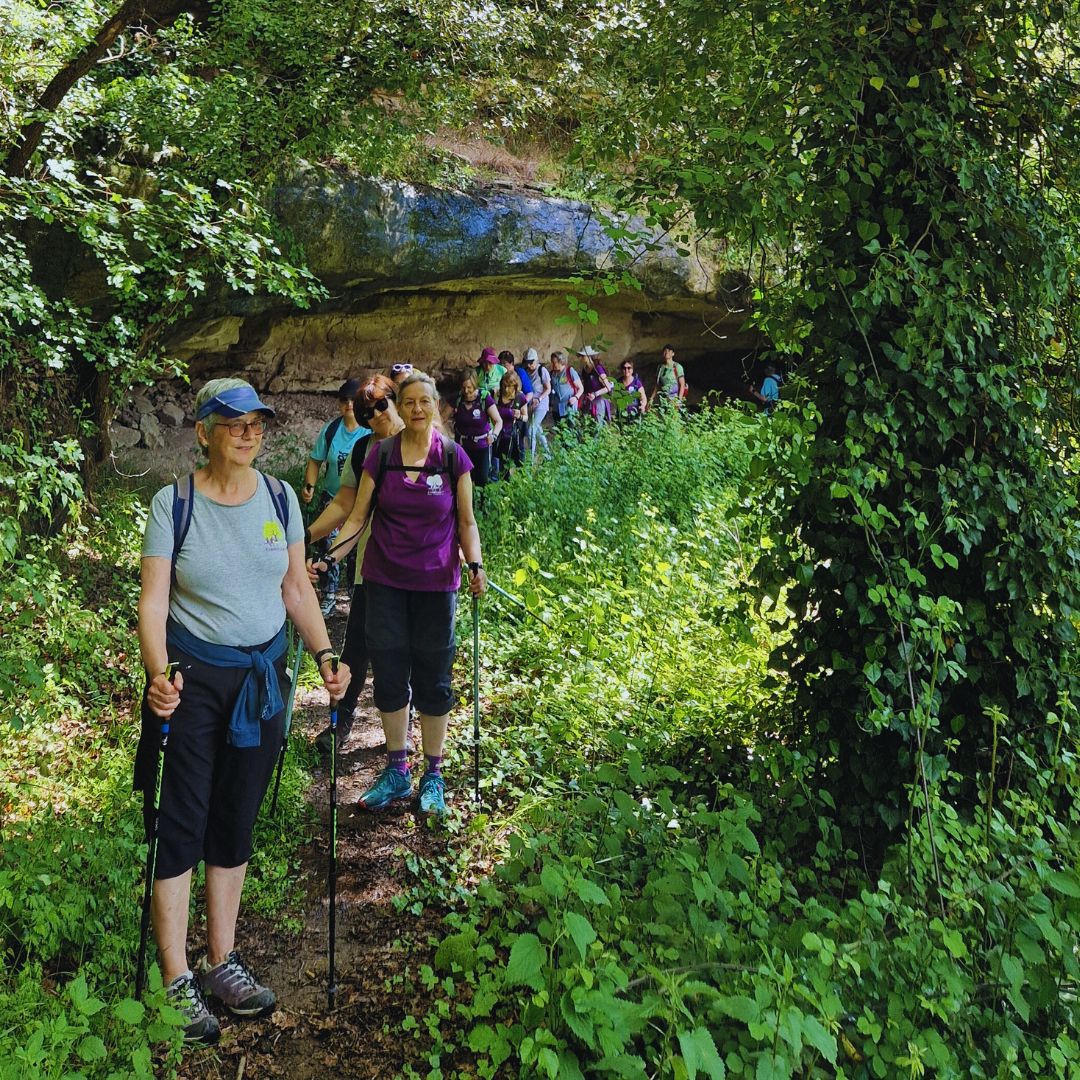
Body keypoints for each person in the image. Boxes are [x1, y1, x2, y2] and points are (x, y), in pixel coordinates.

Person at [136, 378, 350, 1044]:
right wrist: (157, 674)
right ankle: (176, 977)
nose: (249, 433)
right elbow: (153, 603)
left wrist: (323, 652)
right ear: (204, 431)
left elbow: (295, 587)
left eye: (256, 423)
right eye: (234, 423)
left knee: (235, 817)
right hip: (193, 681)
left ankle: (221, 961)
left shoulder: (280, 498)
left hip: (261, 682)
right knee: (182, 820)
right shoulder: (174, 505)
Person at [313, 372, 486, 818]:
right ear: (400, 406)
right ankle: (397, 769)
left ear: (435, 405)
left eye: (424, 401)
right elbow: (356, 518)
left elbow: (466, 522)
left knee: (434, 676)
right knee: (389, 674)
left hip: (436, 584)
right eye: (409, 402)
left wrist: (475, 564)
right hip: (385, 581)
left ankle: (433, 774)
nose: (416, 409)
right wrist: (330, 557)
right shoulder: (381, 455)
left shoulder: (453, 457)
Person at [305, 374, 404, 752]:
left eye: (381, 404)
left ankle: (404, 731)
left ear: (395, 399)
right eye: (366, 413)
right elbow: (346, 506)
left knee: (404, 648)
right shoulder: (364, 450)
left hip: (416, 569)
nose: (375, 415)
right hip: (369, 564)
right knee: (357, 647)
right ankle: (341, 721)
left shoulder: (423, 442)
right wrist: (308, 537)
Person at [300, 378, 371, 615]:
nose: (349, 404)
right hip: (333, 496)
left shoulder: (369, 430)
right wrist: (310, 485)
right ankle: (329, 594)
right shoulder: (331, 430)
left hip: (360, 499)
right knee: (329, 544)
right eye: (344, 400)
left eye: (353, 400)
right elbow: (315, 460)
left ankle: (354, 594)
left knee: (354, 547)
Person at [452, 372, 501, 490]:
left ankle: (482, 500)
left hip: (482, 446)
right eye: (463, 387)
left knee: (482, 479)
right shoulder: (458, 398)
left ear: (475, 384)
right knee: (463, 478)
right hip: (463, 446)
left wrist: (494, 435)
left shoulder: (484, 398)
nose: (466, 391)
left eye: (469, 387)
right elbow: (442, 418)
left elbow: (498, 421)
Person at [491, 369, 528, 479]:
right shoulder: (497, 395)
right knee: (501, 464)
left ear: (515, 386)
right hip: (500, 435)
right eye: (504, 385)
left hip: (513, 436)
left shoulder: (520, 397)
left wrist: (519, 416)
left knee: (519, 463)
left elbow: (526, 417)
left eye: (509, 386)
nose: (506, 389)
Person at [523, 348, 551, 459]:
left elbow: (548, 389)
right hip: (530, 404)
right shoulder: (526, 371)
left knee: (531, 429)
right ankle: (548, 455)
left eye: (531, 362)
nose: (529, 365)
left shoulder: (541, 370)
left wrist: (539, 399)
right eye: (527, 362)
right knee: (538, 429)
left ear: (536, 360)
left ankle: (531, 458)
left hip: (541, 403)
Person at [578, 346, 613, 425]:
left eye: (583, 356)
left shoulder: (598, 369)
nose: (581, 358)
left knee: (598, 425)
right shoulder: (585, 370)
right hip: (588, 401)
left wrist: (595, 394)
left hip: (599, 401)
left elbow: (608, 387)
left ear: (588, 356)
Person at [549, 349, 583, 427]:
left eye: (555, 362)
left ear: (561, 362)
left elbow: (581, 388)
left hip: (569, 406)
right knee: (559, 428)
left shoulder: (569, 371)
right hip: (557, 408)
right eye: (552, 362)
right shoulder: (552, 374)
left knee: (570, 429)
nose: (553, 364)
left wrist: (575, 397)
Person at [650, 344, 687, 408]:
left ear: (673, 354)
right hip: (663, 399)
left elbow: (682, 384)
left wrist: (679, 400)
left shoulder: (677, 367)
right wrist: (651, 399)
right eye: (665, 350)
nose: (667, 352)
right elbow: (657, 385)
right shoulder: (660, 367)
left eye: (669, 351)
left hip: (674, 398)